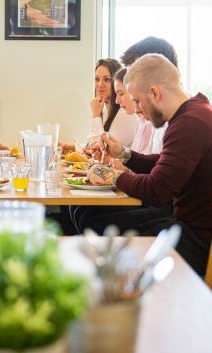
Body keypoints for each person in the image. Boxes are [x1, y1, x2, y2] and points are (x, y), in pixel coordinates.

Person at [74, 54, 212, 276]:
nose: (137, 109)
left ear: (155, 93)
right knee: (92, 216)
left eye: (137, 101)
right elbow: (162, 163)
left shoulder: (189, 124)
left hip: (194, 239)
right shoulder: (193, 112)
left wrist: (112, 176)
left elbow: (157, 190)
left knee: (98, 225)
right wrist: (124, 154)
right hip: (183, 224)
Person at [60, 58, 138, 154]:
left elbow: (102, 150)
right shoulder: (106, 109)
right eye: (97, 79)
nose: (100, 84)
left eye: (106, 79)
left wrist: (95, 115)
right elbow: (94, 145)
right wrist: (73, 147)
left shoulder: (126, 113)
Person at [121, 36, 179, 154]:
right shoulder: (156, 114)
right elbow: (154, 164)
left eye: (135, 75)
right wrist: (121, 155)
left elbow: (160, 172)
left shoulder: (184, 121)